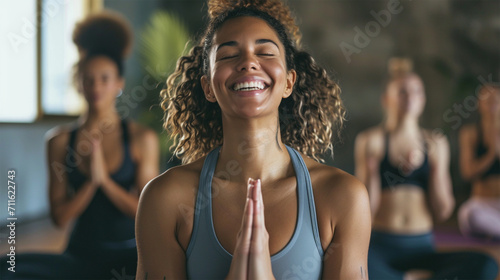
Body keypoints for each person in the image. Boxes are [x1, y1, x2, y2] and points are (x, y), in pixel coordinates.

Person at [135, 0, 371, 279]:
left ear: (288, 82)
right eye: (228, 55)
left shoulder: (342, 197)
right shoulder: (165, 199)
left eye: (266, 52)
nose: (248, 62)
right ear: (208, 86)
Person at [0, 12, 159, 279]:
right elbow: (60, 218)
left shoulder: (141, 138)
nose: (96, 85)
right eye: (88, 78)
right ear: (79, 83)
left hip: (129, 255)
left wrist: (105, 181)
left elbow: (146, 212)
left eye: (104, 78)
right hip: (80, 254)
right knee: (8, 267)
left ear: (118, 84)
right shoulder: (59, 140)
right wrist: (90, 185)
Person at [355, 58, 499, 280]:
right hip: (380, 247)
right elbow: (365, 213)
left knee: (486, 265)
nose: (410, 96)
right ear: (386, 99)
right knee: (355, 269)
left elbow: (443, 211)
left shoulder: (435, 143)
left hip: (422, 246)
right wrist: (373, 171)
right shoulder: (371, 141)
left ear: (423, 99)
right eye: (402, 91)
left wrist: (433, 169)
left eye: (416, 91)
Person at [458, 84, 500, 239]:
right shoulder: (470, 134)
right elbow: (467, 173)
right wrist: (490, 155)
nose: (492, 104)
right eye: (488, 100)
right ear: (479, 104)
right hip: (482, 204)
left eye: (496, 100)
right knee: (469, 214)